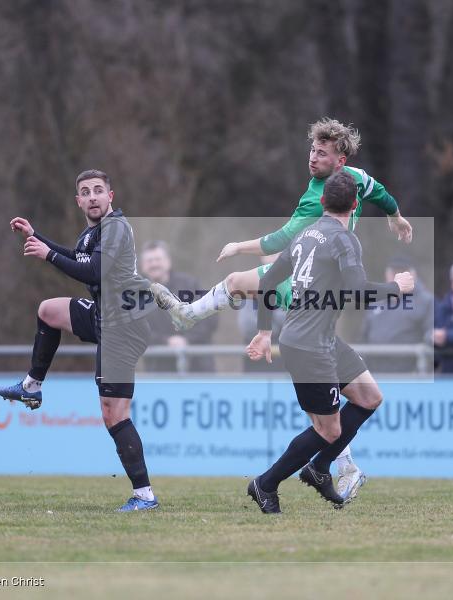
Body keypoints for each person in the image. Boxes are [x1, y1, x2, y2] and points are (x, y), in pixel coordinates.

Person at [152, 118, 412, 501]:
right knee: (326, 415)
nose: (313, 158)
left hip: (315, 282)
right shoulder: (352, 181)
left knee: (241, 285)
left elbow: (280, 240)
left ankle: (188, 315)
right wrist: (396, 219)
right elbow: (382, 195)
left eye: (322, 153)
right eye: (312, 150)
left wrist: (240, 245)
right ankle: (332, 469)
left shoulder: (321, 198)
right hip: (318, 286)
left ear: (340, 161)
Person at [246, 170, 414, 513]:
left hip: (318, 339)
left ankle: (319, 468)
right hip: (309, 347)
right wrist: (398, 287)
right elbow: (358, 293)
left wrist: (265, 332)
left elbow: (266, 285)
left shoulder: (305, 234)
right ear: (355, 205)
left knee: (369, 398)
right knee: (328, 429)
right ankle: (265, 484)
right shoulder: (345, 239)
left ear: (322, 202)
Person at [0, 169, 159, 512]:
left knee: (114, 414)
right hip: (105, 317)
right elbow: (75, 258)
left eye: (99, 190)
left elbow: (93, 272)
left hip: (123, 327)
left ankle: (144, 495)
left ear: (111, 196)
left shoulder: (115, 227)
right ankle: (32, 385)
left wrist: (47, 254)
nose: (93, 196)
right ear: (79, 201)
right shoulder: (91, 234)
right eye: (86, 191)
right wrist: (37, 237)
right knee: (48, 311)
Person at [139, 240, 217, 373]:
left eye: (158, 259)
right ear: (142, 266)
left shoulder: (191, 285)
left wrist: (186, 340)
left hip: (198, 368)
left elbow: (210, 319)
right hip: (158, 371)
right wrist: (167, 341)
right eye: (149, 261)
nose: (154, 264)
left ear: (168, 261)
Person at [359, 255, 434, 373]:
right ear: (387, 275)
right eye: (394, 272)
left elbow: (431, 334)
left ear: (413, 275)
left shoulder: (426, 301)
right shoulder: (376, 300)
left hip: (409, 374)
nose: (398, 277)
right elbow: (364, 336)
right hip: (375, 372)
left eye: (403, 272)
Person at [237, 255, 285, 373]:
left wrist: (265, 321)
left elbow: (295, 321)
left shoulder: (295, 281)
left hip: (288, 355)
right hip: (257, 355)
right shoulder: (249, 281)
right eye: (269, 252)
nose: (273, 257)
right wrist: (269, 326)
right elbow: (247, 325)